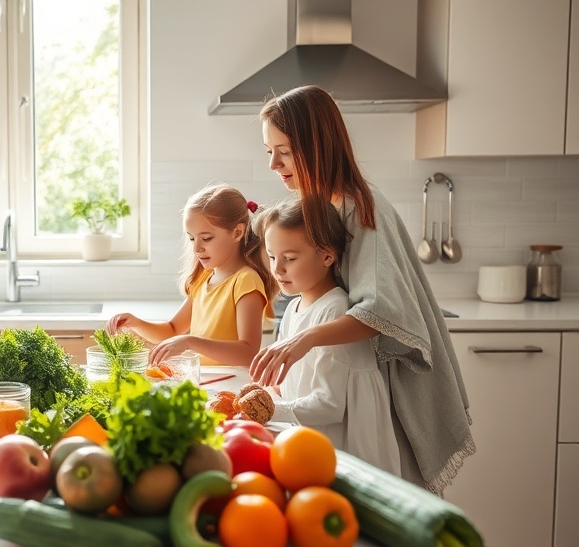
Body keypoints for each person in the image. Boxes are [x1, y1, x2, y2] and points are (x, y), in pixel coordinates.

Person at [251, 85, 473, 495]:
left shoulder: (357, 205)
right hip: (354, 384)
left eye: (282, 151)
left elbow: (379, 312)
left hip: (383, 387)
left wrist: (301, 341)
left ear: (314, 144)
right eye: (269, 151)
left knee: (392, 498)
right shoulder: (323, 203)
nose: (273, 164)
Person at [254, 197, 401, 476]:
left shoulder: (334, 310)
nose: (277, 269)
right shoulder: (294, 306)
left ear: (326, 256)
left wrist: (270, 410)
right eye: (272, 257)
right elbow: (289, 386)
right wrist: (265, 394)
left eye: (290, 258)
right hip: (311, 441)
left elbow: (329, 406)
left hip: (345, 452)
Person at [106, 183, 277, 367]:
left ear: (237, 232)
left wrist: (190, 342)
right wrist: (136, 323)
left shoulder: (245, 281)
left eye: (206, 238)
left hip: (232, 384)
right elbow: (172, 330)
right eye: (191, 238)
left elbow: (248, 353)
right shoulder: (203, 279)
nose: (196, 248)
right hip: (207, 381)